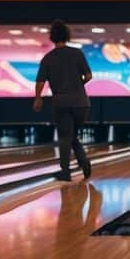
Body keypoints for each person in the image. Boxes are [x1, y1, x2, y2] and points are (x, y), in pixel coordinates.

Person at [33, 20, 93, 182]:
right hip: (82, 103)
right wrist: (77, 85)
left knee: (66, 136)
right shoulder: (77, 53)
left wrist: (38, 98)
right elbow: (88, 76)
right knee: (72, 135)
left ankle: (66, 171)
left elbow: (40, 82)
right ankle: (83, 162)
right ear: (67, 36)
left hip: (61, 102)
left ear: (52, 38)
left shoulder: (48, 58)